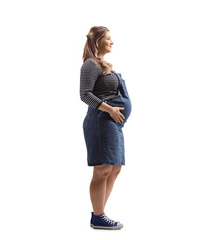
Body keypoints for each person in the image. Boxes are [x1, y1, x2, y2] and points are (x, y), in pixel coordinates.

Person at [80, 26, 131, 230]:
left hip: (112, 124)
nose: (112, 42)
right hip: (101, 121)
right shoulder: (90, 65)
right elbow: (85, 94)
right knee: (102, 169)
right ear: (97, 41)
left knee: (114, 168)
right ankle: (98, 216)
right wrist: (110, 109)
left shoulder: (103, 65)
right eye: (108, 38)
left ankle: (100, 212)